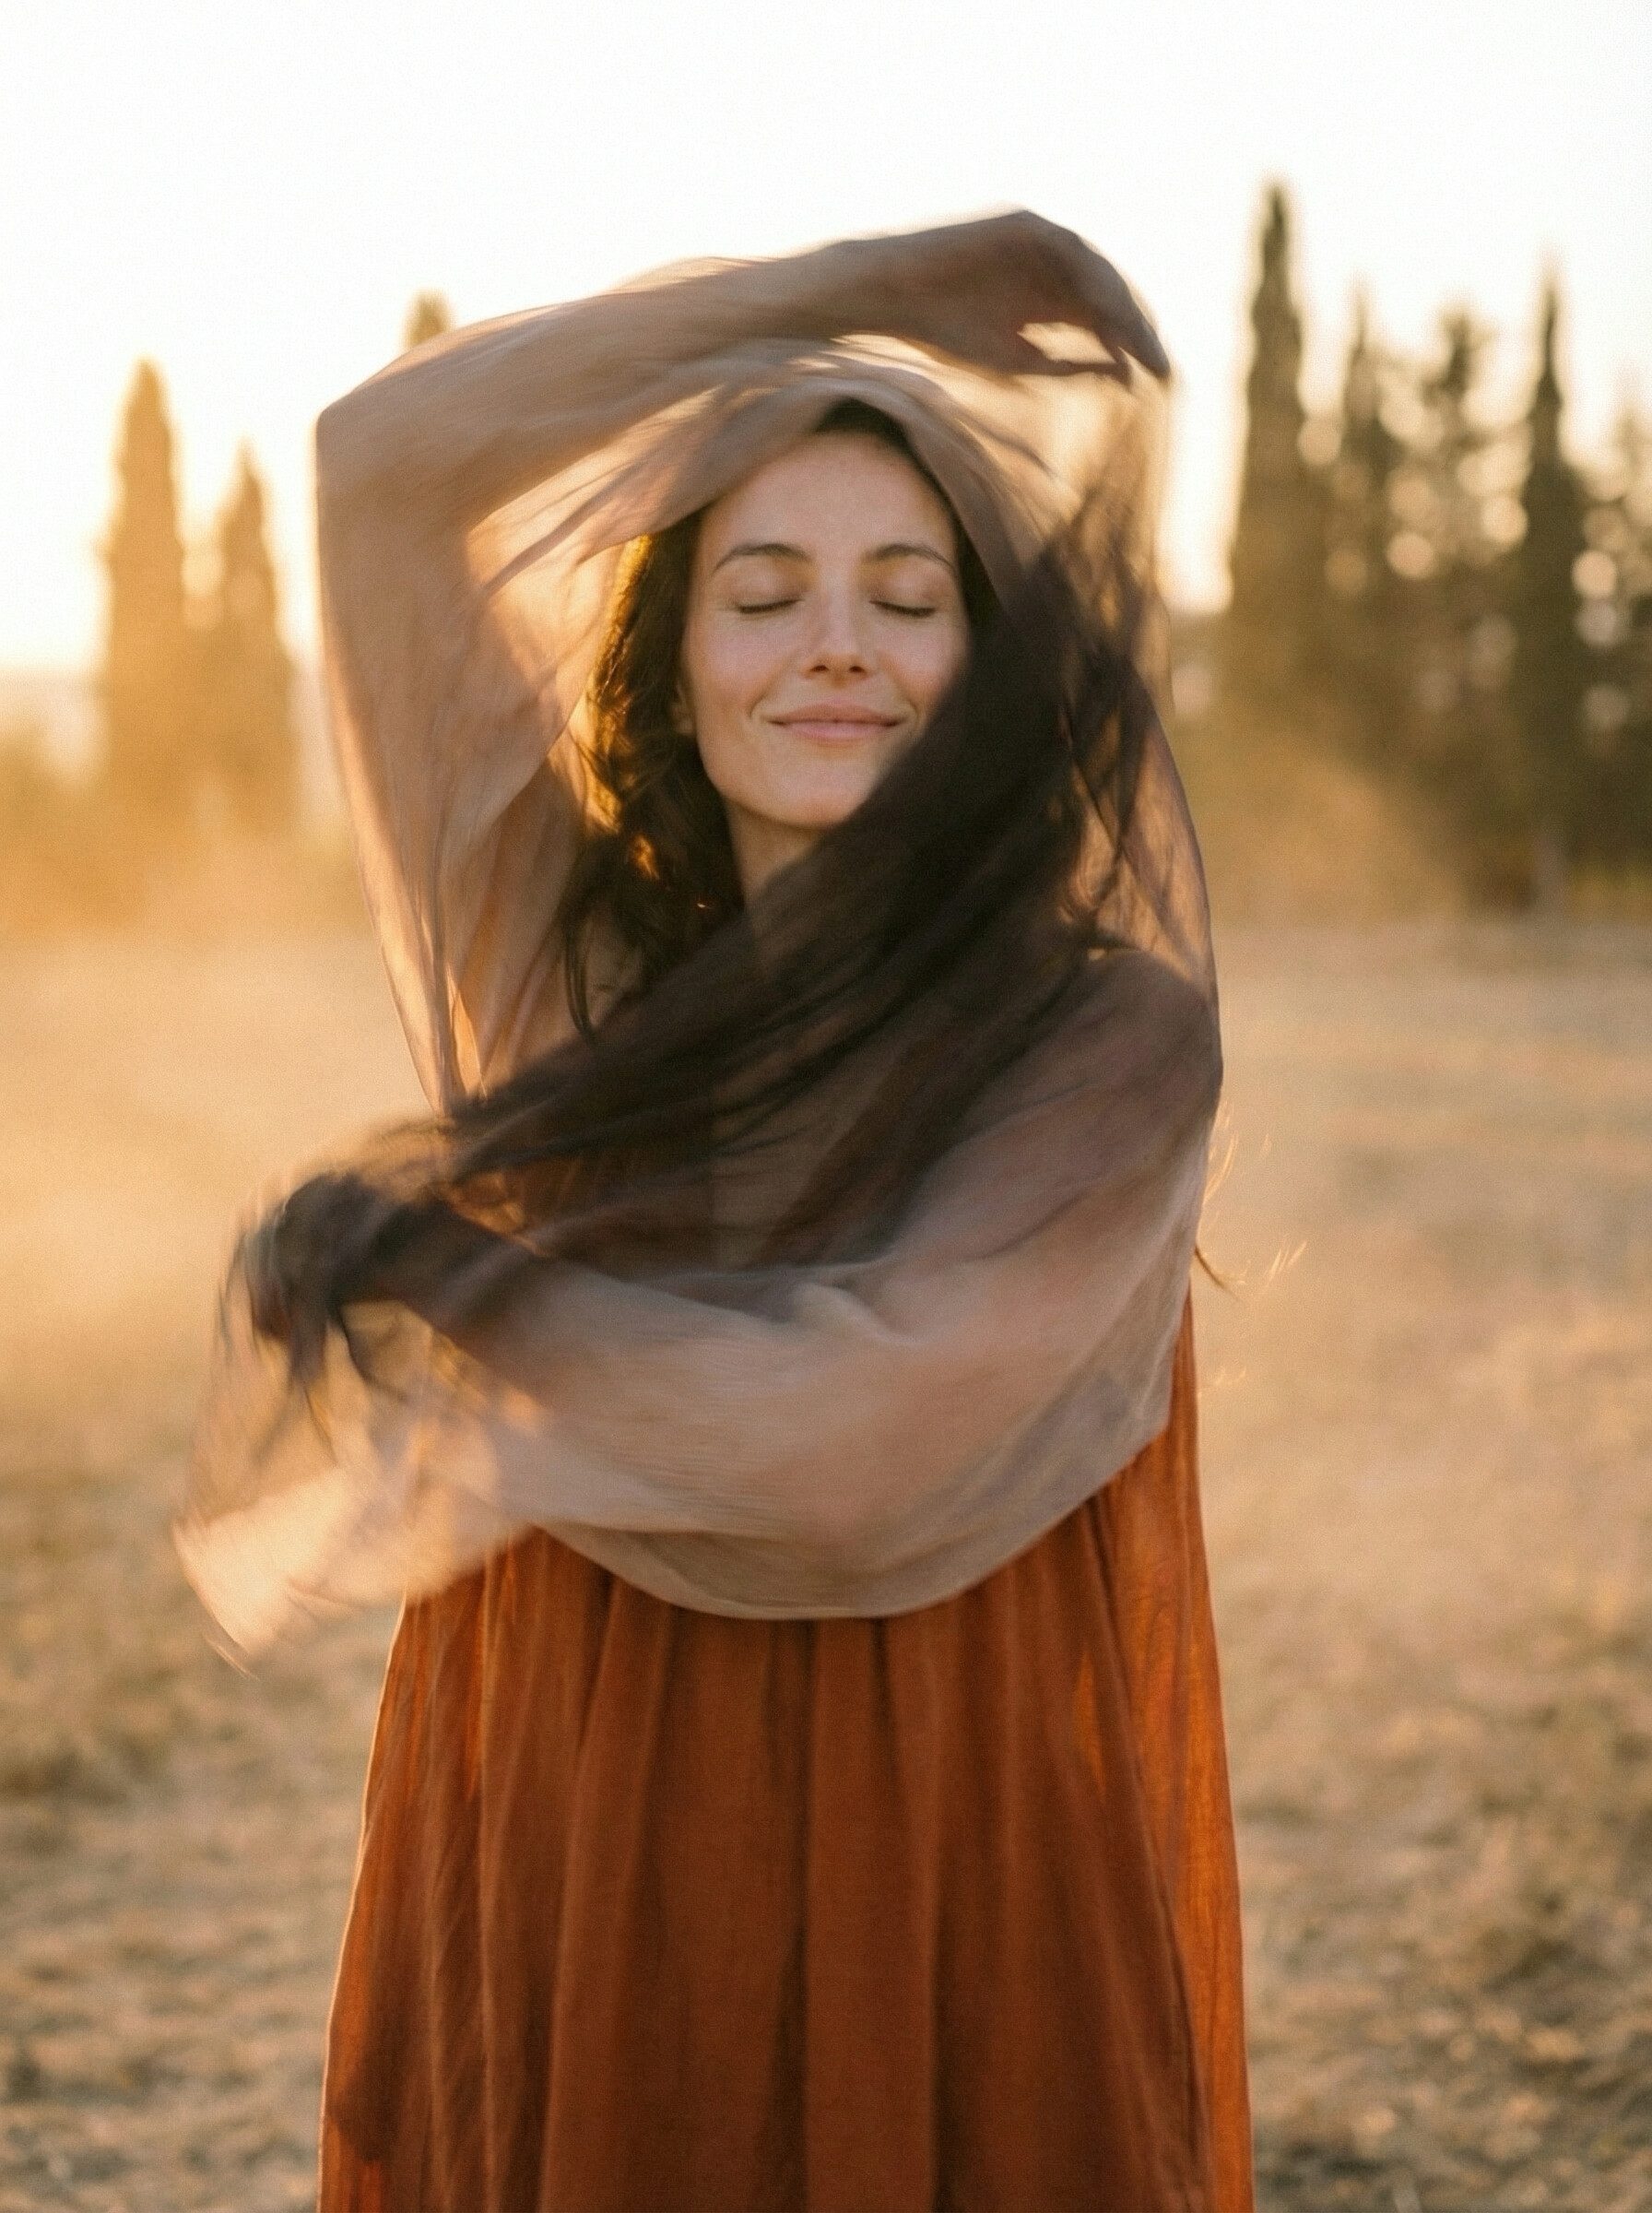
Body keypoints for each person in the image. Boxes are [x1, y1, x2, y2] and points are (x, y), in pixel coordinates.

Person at [176, 209, 1255, 2210]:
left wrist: (441, 1271)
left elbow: (848, 1452)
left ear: (989, 667)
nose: (833, 642)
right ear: (672, 659)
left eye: (905, 596)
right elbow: (381, 469)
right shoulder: (559, 964)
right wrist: (848, 302)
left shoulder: (1103, 1044)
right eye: (760, 593)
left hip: (950, 1861)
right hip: (576, 1830)